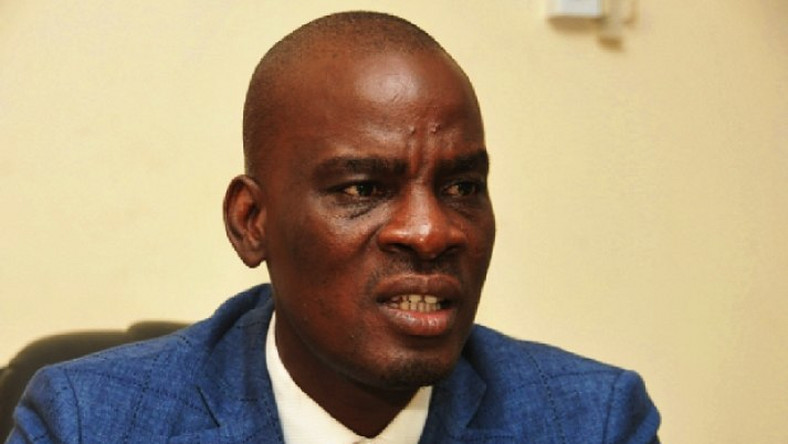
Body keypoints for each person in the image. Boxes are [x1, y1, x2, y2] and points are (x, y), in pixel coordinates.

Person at [6, 11, 660, 444]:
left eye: (462, 187)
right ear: (251, 222)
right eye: (363, 189)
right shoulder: (90, 423)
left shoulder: (591, 422)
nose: (431, 233)